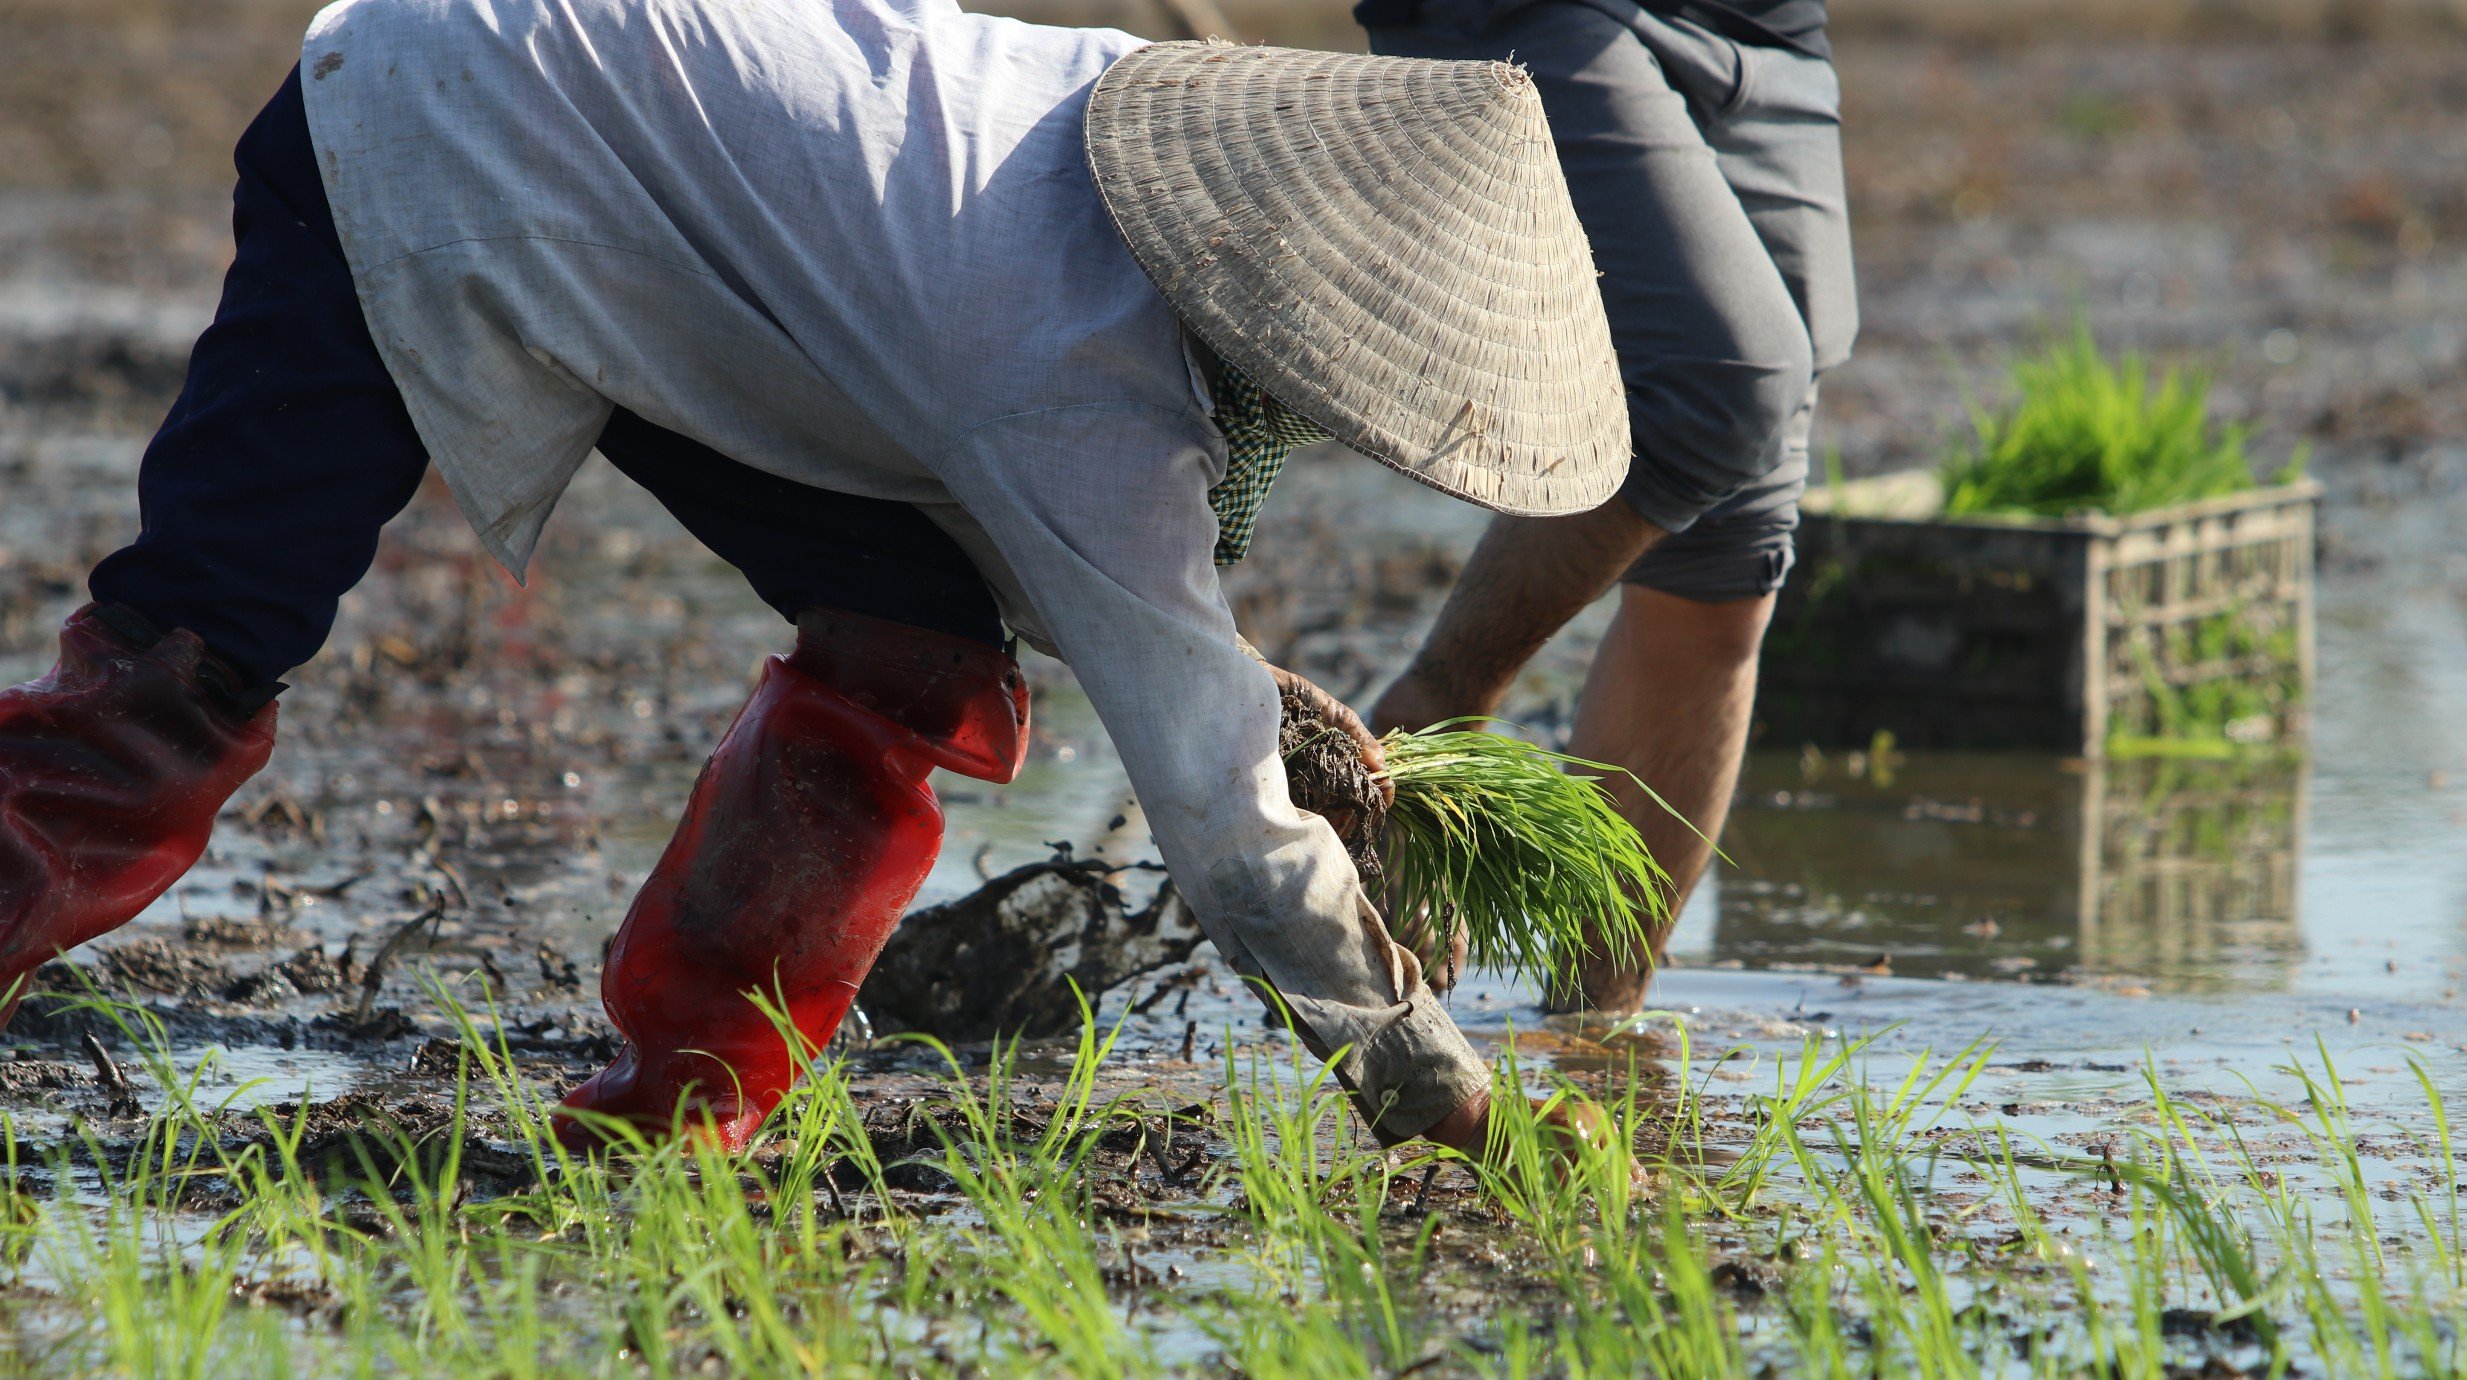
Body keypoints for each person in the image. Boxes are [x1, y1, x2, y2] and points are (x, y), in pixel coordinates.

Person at [0, 0, 1633, 1158]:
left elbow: (980, 440)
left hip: (642, 203)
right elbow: (1227, 837)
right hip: (423, 121)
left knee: (911, 634)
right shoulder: (1077, 375)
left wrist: (1241, 686)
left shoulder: (1094, 117)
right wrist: (1441, 1089)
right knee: (200, 649)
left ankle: (679, 1102)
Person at [1358, 0, 1857, 1011]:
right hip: (1535, 11)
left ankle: (1592, 1035)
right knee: (1725, 383)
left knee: (1727, 564)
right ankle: (1432, 714)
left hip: (1767, 32)